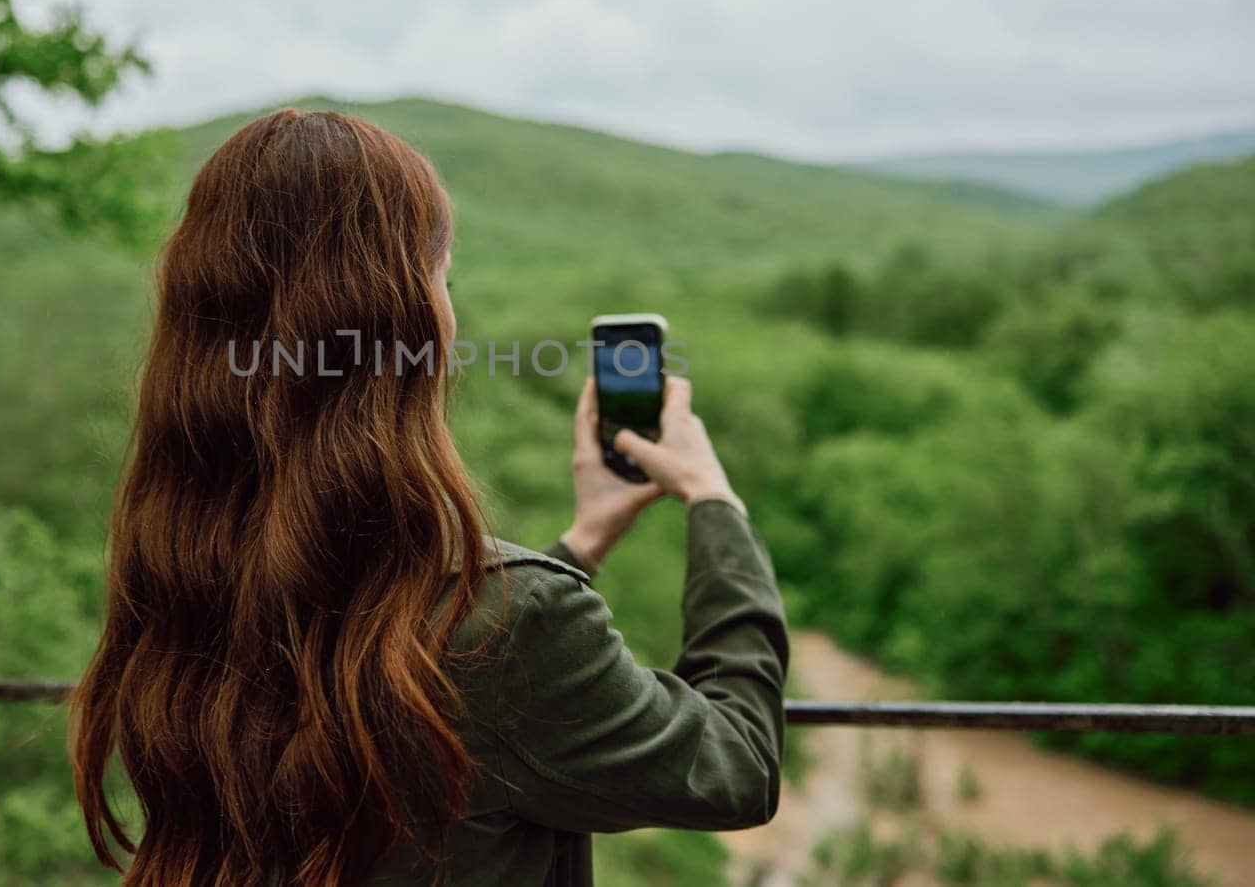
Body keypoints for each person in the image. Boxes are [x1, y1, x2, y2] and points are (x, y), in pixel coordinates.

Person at [69, 108, 789, 887]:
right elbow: (735, 765)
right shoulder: (517, 624)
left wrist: (579, 544)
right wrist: (715, 504)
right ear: (404, 322)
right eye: (442, 277)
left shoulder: (180, 572)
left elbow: (399, 639)